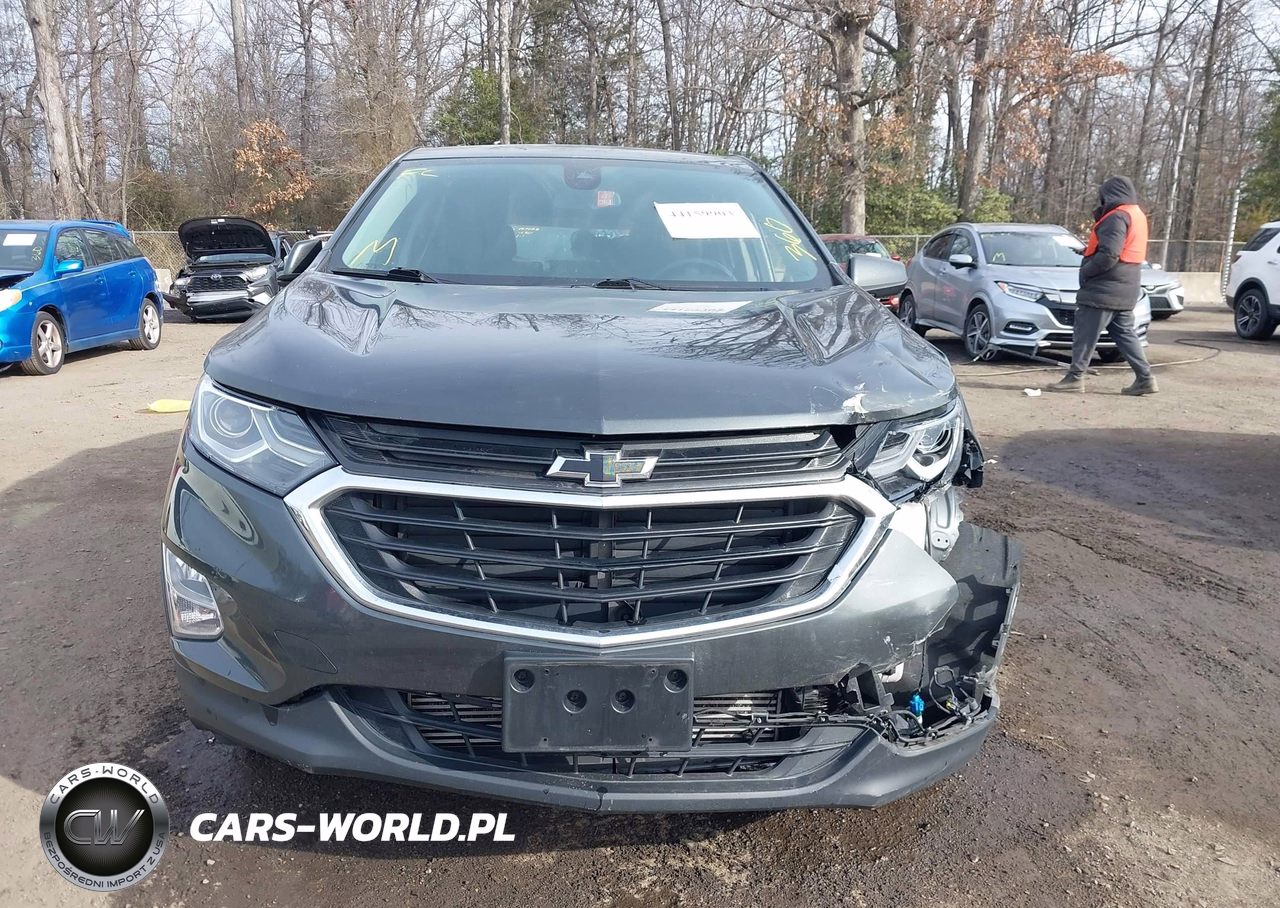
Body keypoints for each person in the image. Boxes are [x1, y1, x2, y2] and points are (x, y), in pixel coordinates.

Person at [1048, 176, 1157, 395]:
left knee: (1085, 334)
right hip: (1127, 285)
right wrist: (1089, 251)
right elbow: (1120, 248)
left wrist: (1087, 271)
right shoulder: (1136, 214)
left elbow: (1110, 254)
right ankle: (1145, 378)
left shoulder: (1116, 217)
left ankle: (1075, 378)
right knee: (1125, 335)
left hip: (1104, 288)